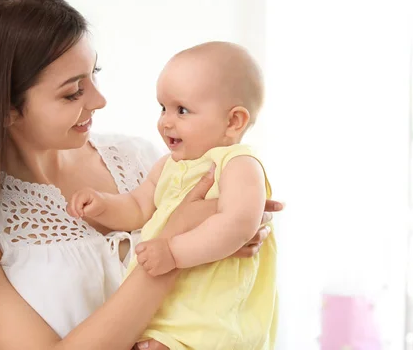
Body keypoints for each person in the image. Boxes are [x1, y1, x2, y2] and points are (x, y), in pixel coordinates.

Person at [0, 0, 282, 350]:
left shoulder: (136, 158)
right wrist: (173, 243)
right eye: (73, 91)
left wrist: (241, 226)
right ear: (4, 109)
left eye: (95, 74)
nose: (100, 100)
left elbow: (221, 240)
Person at [68, 41, 278, 349]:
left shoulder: (239, 164)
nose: (165, 121)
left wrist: (174, 252)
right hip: (168, 308)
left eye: (182, 110)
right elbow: (138, 206)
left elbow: (239, 225)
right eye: (162, 108)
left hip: (211, 314)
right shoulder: (168, 165)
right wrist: (102, 206)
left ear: (233, 121)